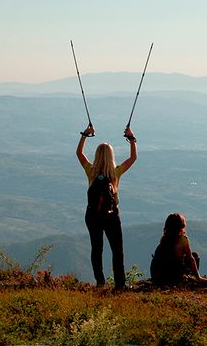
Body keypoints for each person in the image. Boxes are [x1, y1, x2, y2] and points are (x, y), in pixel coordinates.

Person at [76, 124, 137, 290]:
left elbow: (79, 154)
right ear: (111, 156)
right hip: (111, 215)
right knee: (117, 250)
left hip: (92, 214)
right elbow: (133, 158)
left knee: (97, 249)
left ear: (97, 156)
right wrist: (131, 138)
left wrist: (85, 135)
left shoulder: (91, 171)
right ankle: (119, 284)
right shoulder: (115, 173)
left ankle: (100, 282)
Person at [150, 213, 207, 287]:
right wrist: (199, 278)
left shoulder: (164, 239)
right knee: (194, 256)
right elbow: (190, 259)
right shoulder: (183, 239)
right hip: (174, 274)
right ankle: (189, 277)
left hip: (157, 276)